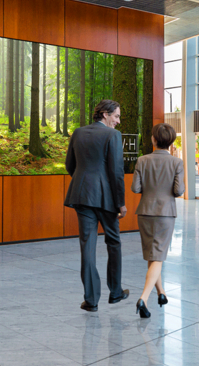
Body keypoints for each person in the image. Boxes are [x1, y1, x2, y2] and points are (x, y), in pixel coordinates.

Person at [64, 100, 129, 312]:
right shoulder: (113, 136)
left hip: (82, 195)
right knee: (114, 242)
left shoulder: (77, 132)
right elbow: (116, 172)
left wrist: (86, 182)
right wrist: (121, 203)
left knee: (87, 246)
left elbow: (70, 165)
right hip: (106, 198)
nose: (118, 121)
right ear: (104, 114)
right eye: (116, 116)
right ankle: (116, 292)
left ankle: (91, 300)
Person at [130, 123, 184, 318]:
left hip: (145, 212)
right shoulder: (177, 163)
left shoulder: (142, 160)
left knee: (154, 256)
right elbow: (179, 191)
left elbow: (135, 189)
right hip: (165, 213)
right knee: (158, 256)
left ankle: (161, 293)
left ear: (153, 140)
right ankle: (143, 298)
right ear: (171, 142)